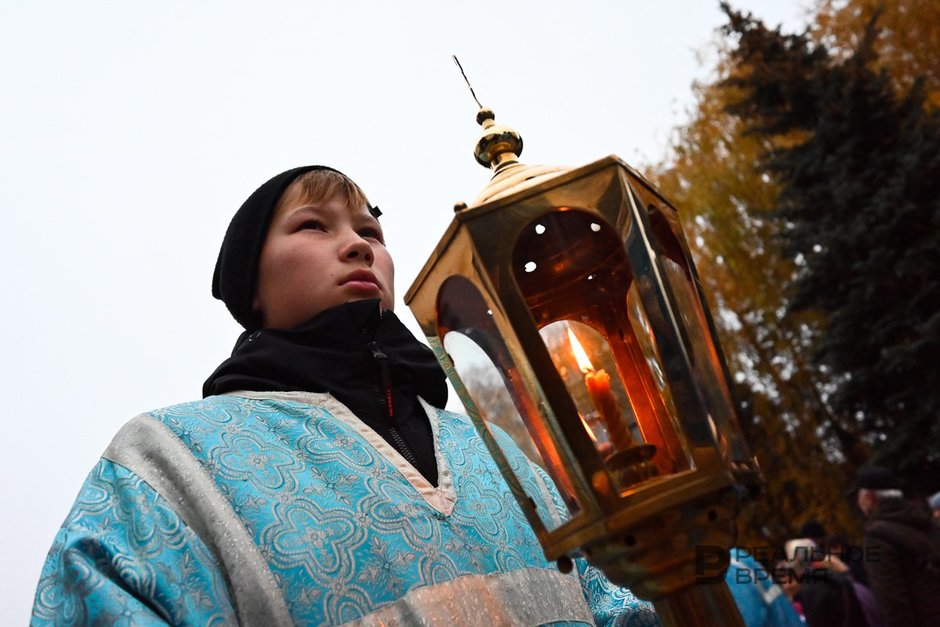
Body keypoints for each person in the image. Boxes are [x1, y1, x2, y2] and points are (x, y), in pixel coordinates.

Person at [31, 166, 660, 625]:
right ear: (252, 286)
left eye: (371, 231)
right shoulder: (167, 461)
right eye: (313, 225)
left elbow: (613, 609)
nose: (361, 245)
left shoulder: (496, 453)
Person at [850, 464, 940, 626]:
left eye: (859, 496)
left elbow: (891, 599)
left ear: (870, 498)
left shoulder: (876, 537)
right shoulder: (927, 521)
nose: (858, 502)